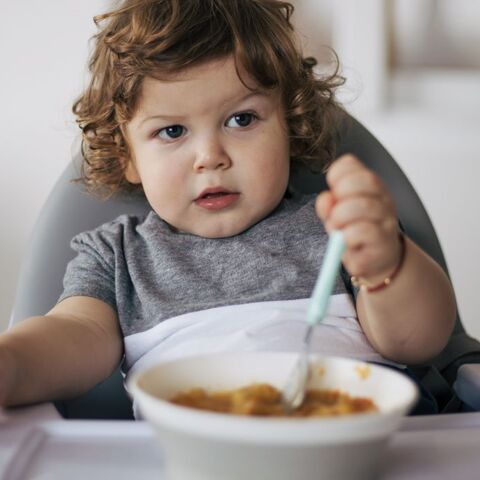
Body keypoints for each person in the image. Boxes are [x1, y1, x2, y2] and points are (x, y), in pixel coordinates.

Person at [0, 0, 456, 416]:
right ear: (128, 157)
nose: (210, 156)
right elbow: (75, 337)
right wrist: (14, 364)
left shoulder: (337, 225)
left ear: (289, 126)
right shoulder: (116, 257)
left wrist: (384, 266)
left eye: (241, 119)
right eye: (173, 131)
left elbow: (420, 342)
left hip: (354, 441)